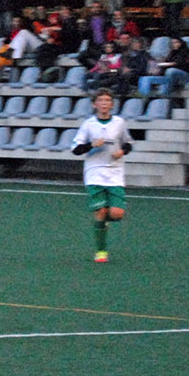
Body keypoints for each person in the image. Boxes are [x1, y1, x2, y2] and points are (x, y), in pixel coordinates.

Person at [71, 88, 133, 263]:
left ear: (112, 104)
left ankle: (104, 220)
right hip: (95, 172)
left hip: (115, 172)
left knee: (117, 214)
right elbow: (76, 149)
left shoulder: (119, 123)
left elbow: (128, 143)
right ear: (94, 104)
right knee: (100, 210)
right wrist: (91, 145)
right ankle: (101, 251)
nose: (104, 103)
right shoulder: (88, 124)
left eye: (107, 100)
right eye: (100, 100)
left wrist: (122, 151)